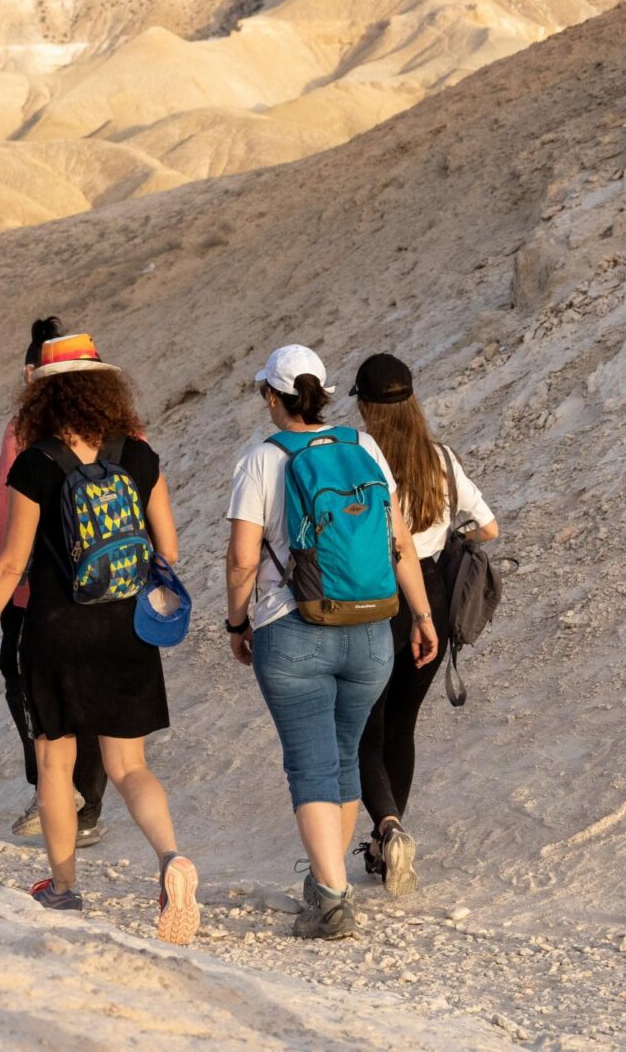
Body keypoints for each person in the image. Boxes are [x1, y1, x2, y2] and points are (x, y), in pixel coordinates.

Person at [0, 333, 202, 945]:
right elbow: (169, 549)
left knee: (56, 763)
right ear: (104, 390)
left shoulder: (36, 464)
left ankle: (62, 887)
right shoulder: (138, 455)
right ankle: (170, 859)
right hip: (126, 630)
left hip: (57, 630)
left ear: (44, 400)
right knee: (129, 764)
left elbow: (10, 566)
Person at [223, 346, 438, 941]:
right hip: (371, 630)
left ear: (273, 396)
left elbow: (243, 559)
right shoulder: (362, 447)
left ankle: (335, 900)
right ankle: (325, 884)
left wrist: (237, 623)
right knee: (344, 760)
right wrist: (421, 614)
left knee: (311, 766)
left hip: (292, 628)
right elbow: (399, 540)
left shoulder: (261, 460)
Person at [348, 352, 498, 896]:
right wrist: (444, 545)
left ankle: (387, 827)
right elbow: (489, 527)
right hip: (430, 592)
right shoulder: (440, 458)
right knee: (401, 726)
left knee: (365, 727)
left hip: (375, 597)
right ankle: (388, 846)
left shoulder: (361, 458)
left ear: (364, 407)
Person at [0, 315, 110, 846]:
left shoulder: (24, 431)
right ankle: (89, 806)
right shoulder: (126, 432)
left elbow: (6, 518)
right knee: (92, 689)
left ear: (35, 374)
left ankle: (53, 788)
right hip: (107, 585)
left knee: (22, 677)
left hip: (36, 589)